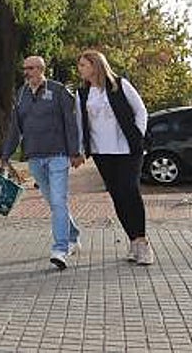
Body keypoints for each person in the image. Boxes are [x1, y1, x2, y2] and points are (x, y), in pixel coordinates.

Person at [0, 55, 85, 269]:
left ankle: (60, 249)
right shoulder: (21, 94)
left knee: (58, 201)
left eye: (30, 68)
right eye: (25, 69)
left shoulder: (58, 91)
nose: (26, 72)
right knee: (55, 202)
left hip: (58, 156)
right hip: (35, 157)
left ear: (41, 69)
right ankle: (73, 233)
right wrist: (5, 154)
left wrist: (75, 151)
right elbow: (15, 127)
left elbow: (71, 123)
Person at [75, 48, 153, 265]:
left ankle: (143, 242)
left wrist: (137, 135)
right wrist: (81, 148)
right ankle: (132, 241)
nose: (79, 69)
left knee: (130, 190)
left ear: (95, 65)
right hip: (102, 152)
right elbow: (81, 124)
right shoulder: (82, 94)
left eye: (83, 64)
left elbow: (141, 111)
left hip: (128, 150)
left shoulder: (120, 85)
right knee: (117, 195)